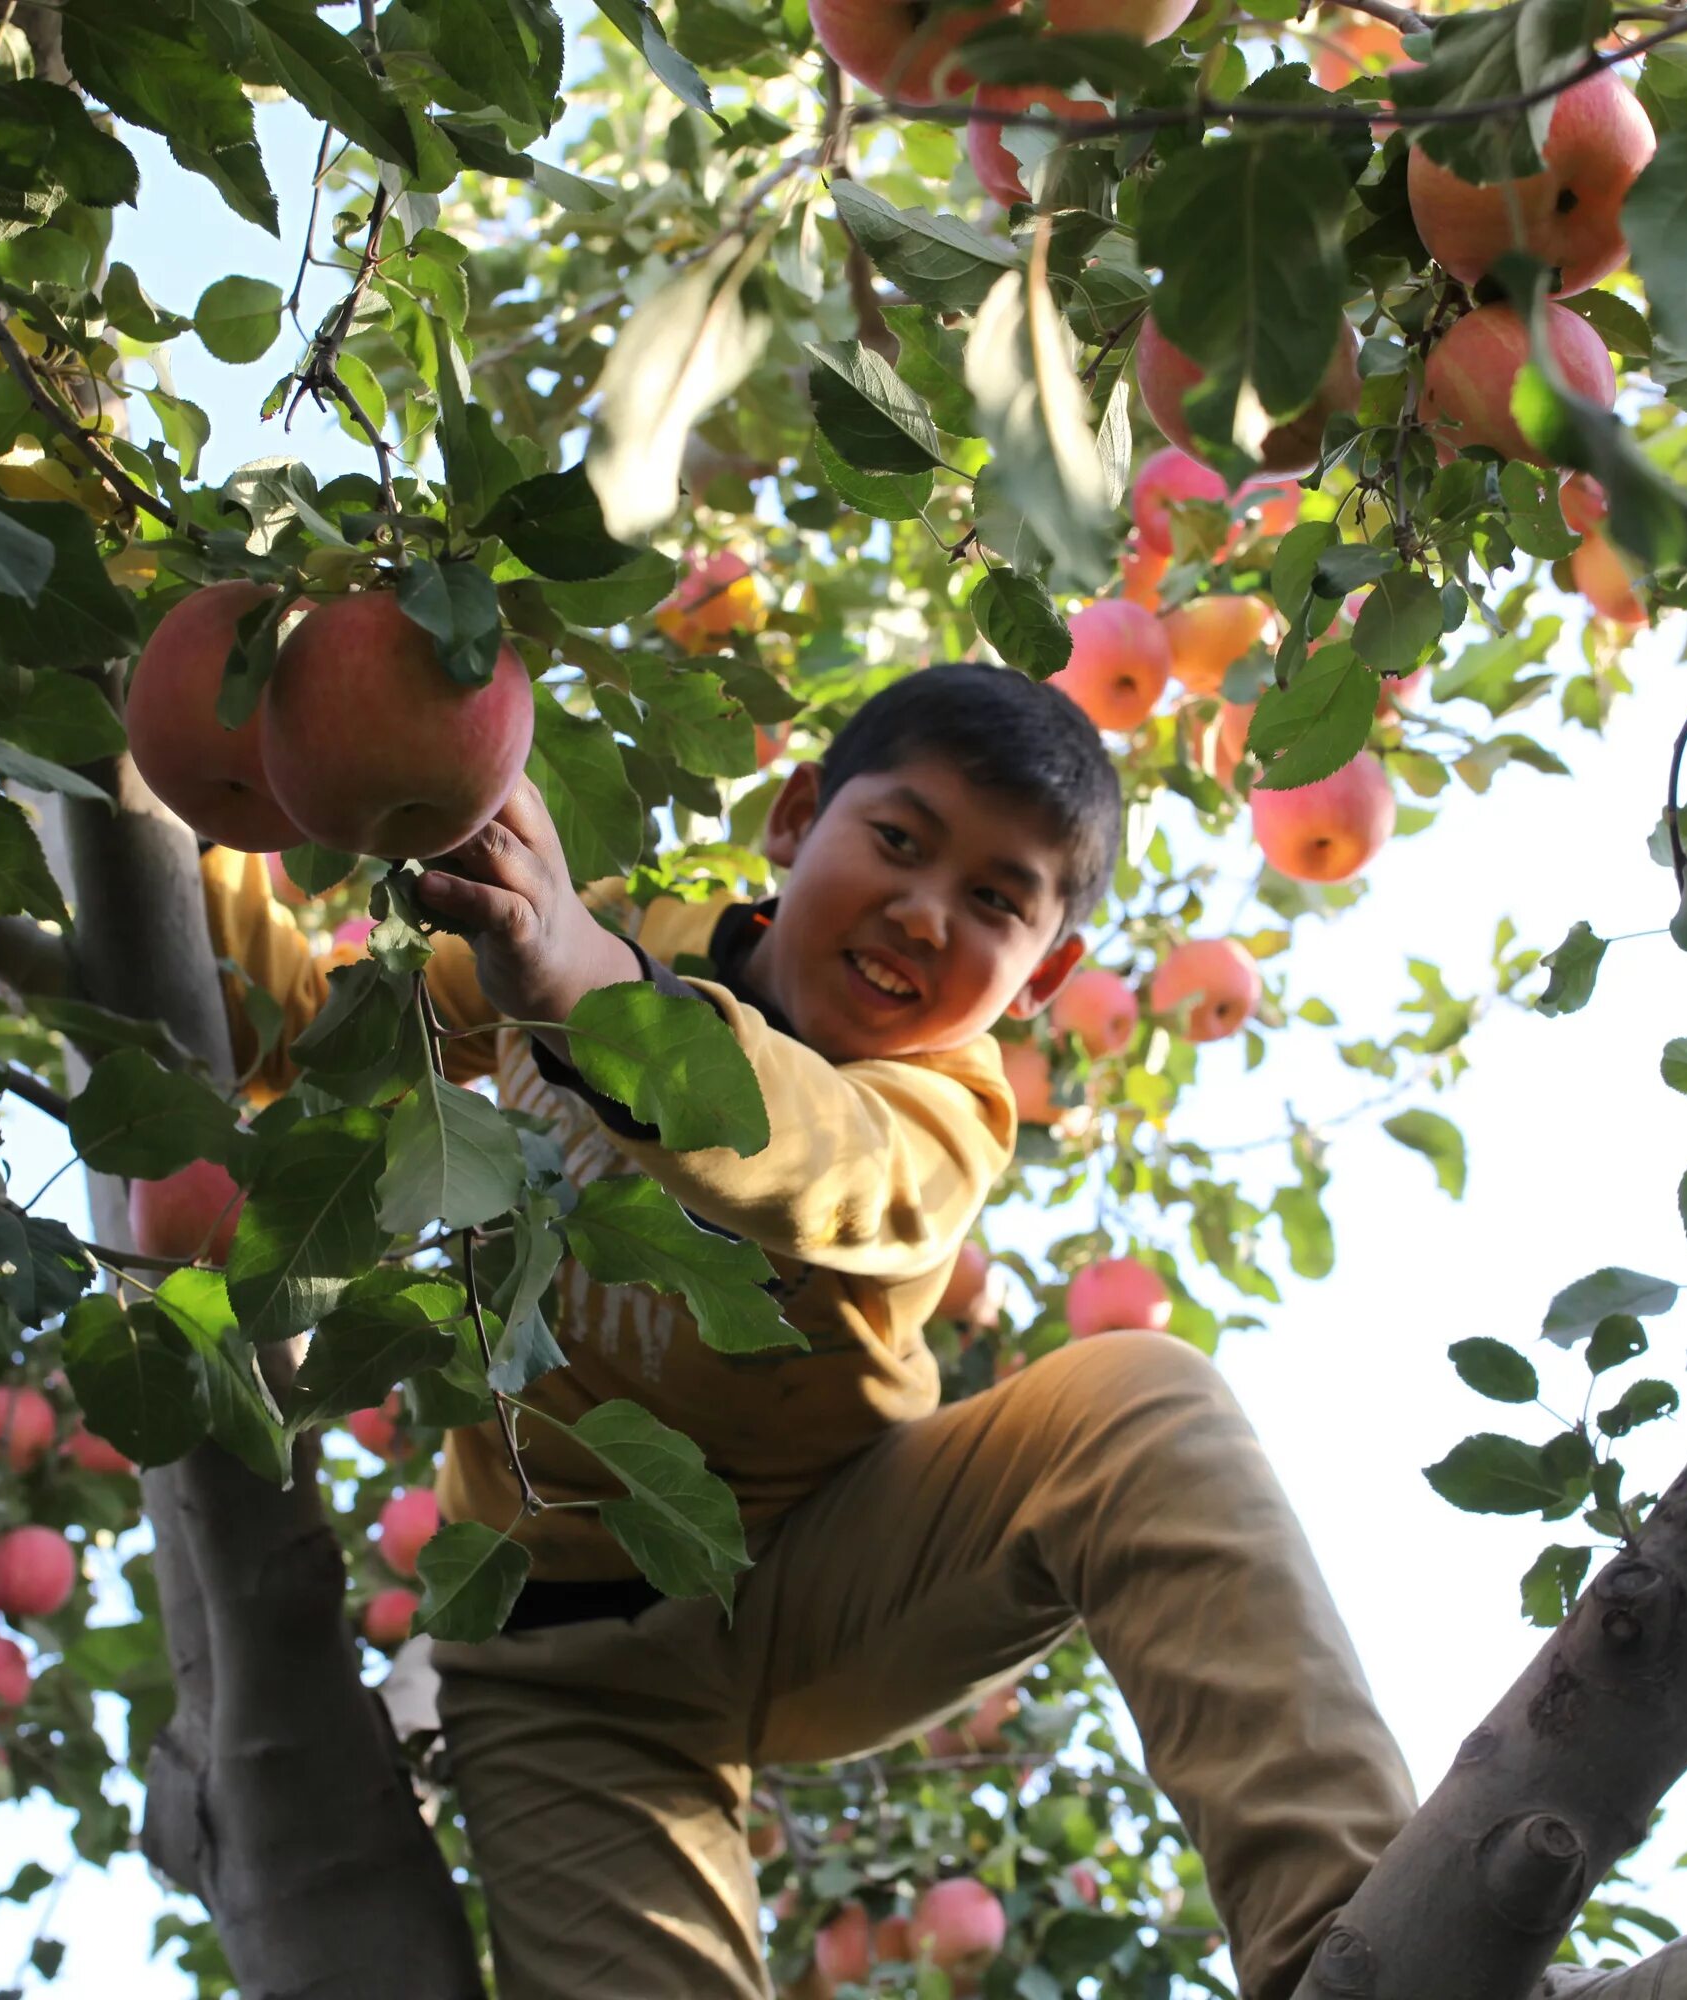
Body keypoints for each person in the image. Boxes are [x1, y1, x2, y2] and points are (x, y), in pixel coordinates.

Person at [201, 663, 1414, 2000]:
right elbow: (311, 1038)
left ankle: (1361, 1950)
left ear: (1045, 972)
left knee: (1143, 1400)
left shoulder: (945, 1110)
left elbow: (820, 1161)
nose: (921, 909)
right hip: (559, 1675)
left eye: (996, 901)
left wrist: (597, 997)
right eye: (899, 842)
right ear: (794, 817)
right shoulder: (599, 930)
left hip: (827, 1579)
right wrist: (186, 788)